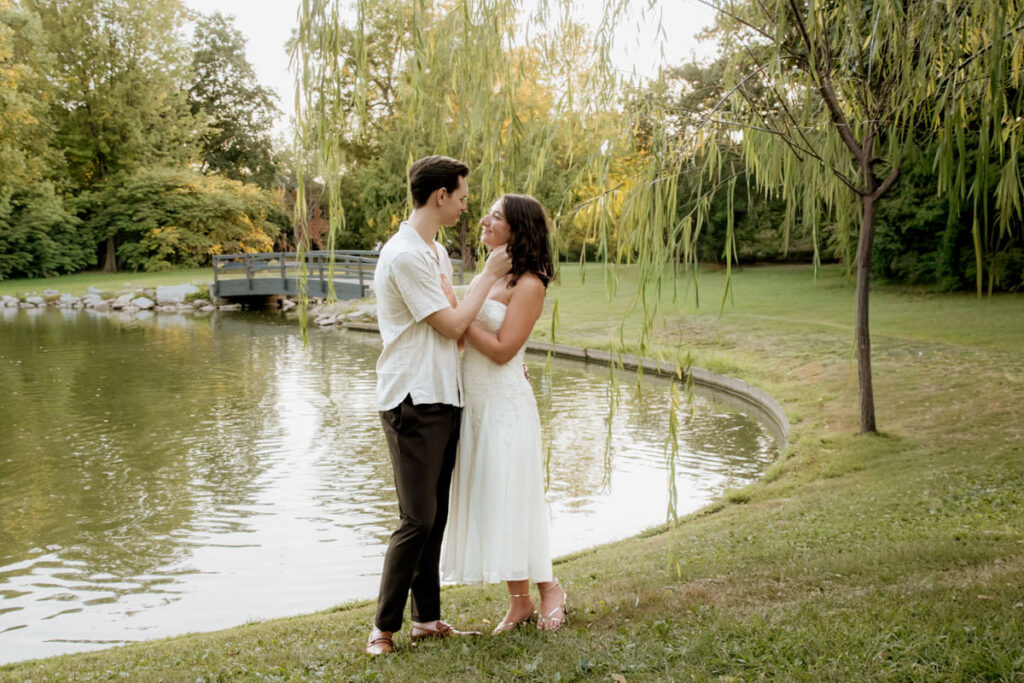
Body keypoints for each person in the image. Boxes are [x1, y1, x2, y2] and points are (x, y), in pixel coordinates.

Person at [367, 156, 512, 656]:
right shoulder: (404, 255)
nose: (468, 205)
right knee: (417, 518)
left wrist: (506, 365)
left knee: (437, 516)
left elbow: (457, 336)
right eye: (464, 196)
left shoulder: (436, 251)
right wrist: (488, 276)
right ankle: (382, 629)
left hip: (445, 395)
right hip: (412, 398)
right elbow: (451, 325)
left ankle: (427, 619)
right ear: (439, 196)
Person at [440, 193, 568, 633]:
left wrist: (459, 316)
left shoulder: (529, 283)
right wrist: (456, 320)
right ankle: (519, 602)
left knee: (516, 499)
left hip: (505, 406)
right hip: (474, 403)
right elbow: (461, 341)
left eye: (495, 216)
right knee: (493, 499)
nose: (484, 220)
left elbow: (502, 350)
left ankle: (551, 588)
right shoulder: (492, 274)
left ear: (517, 228)